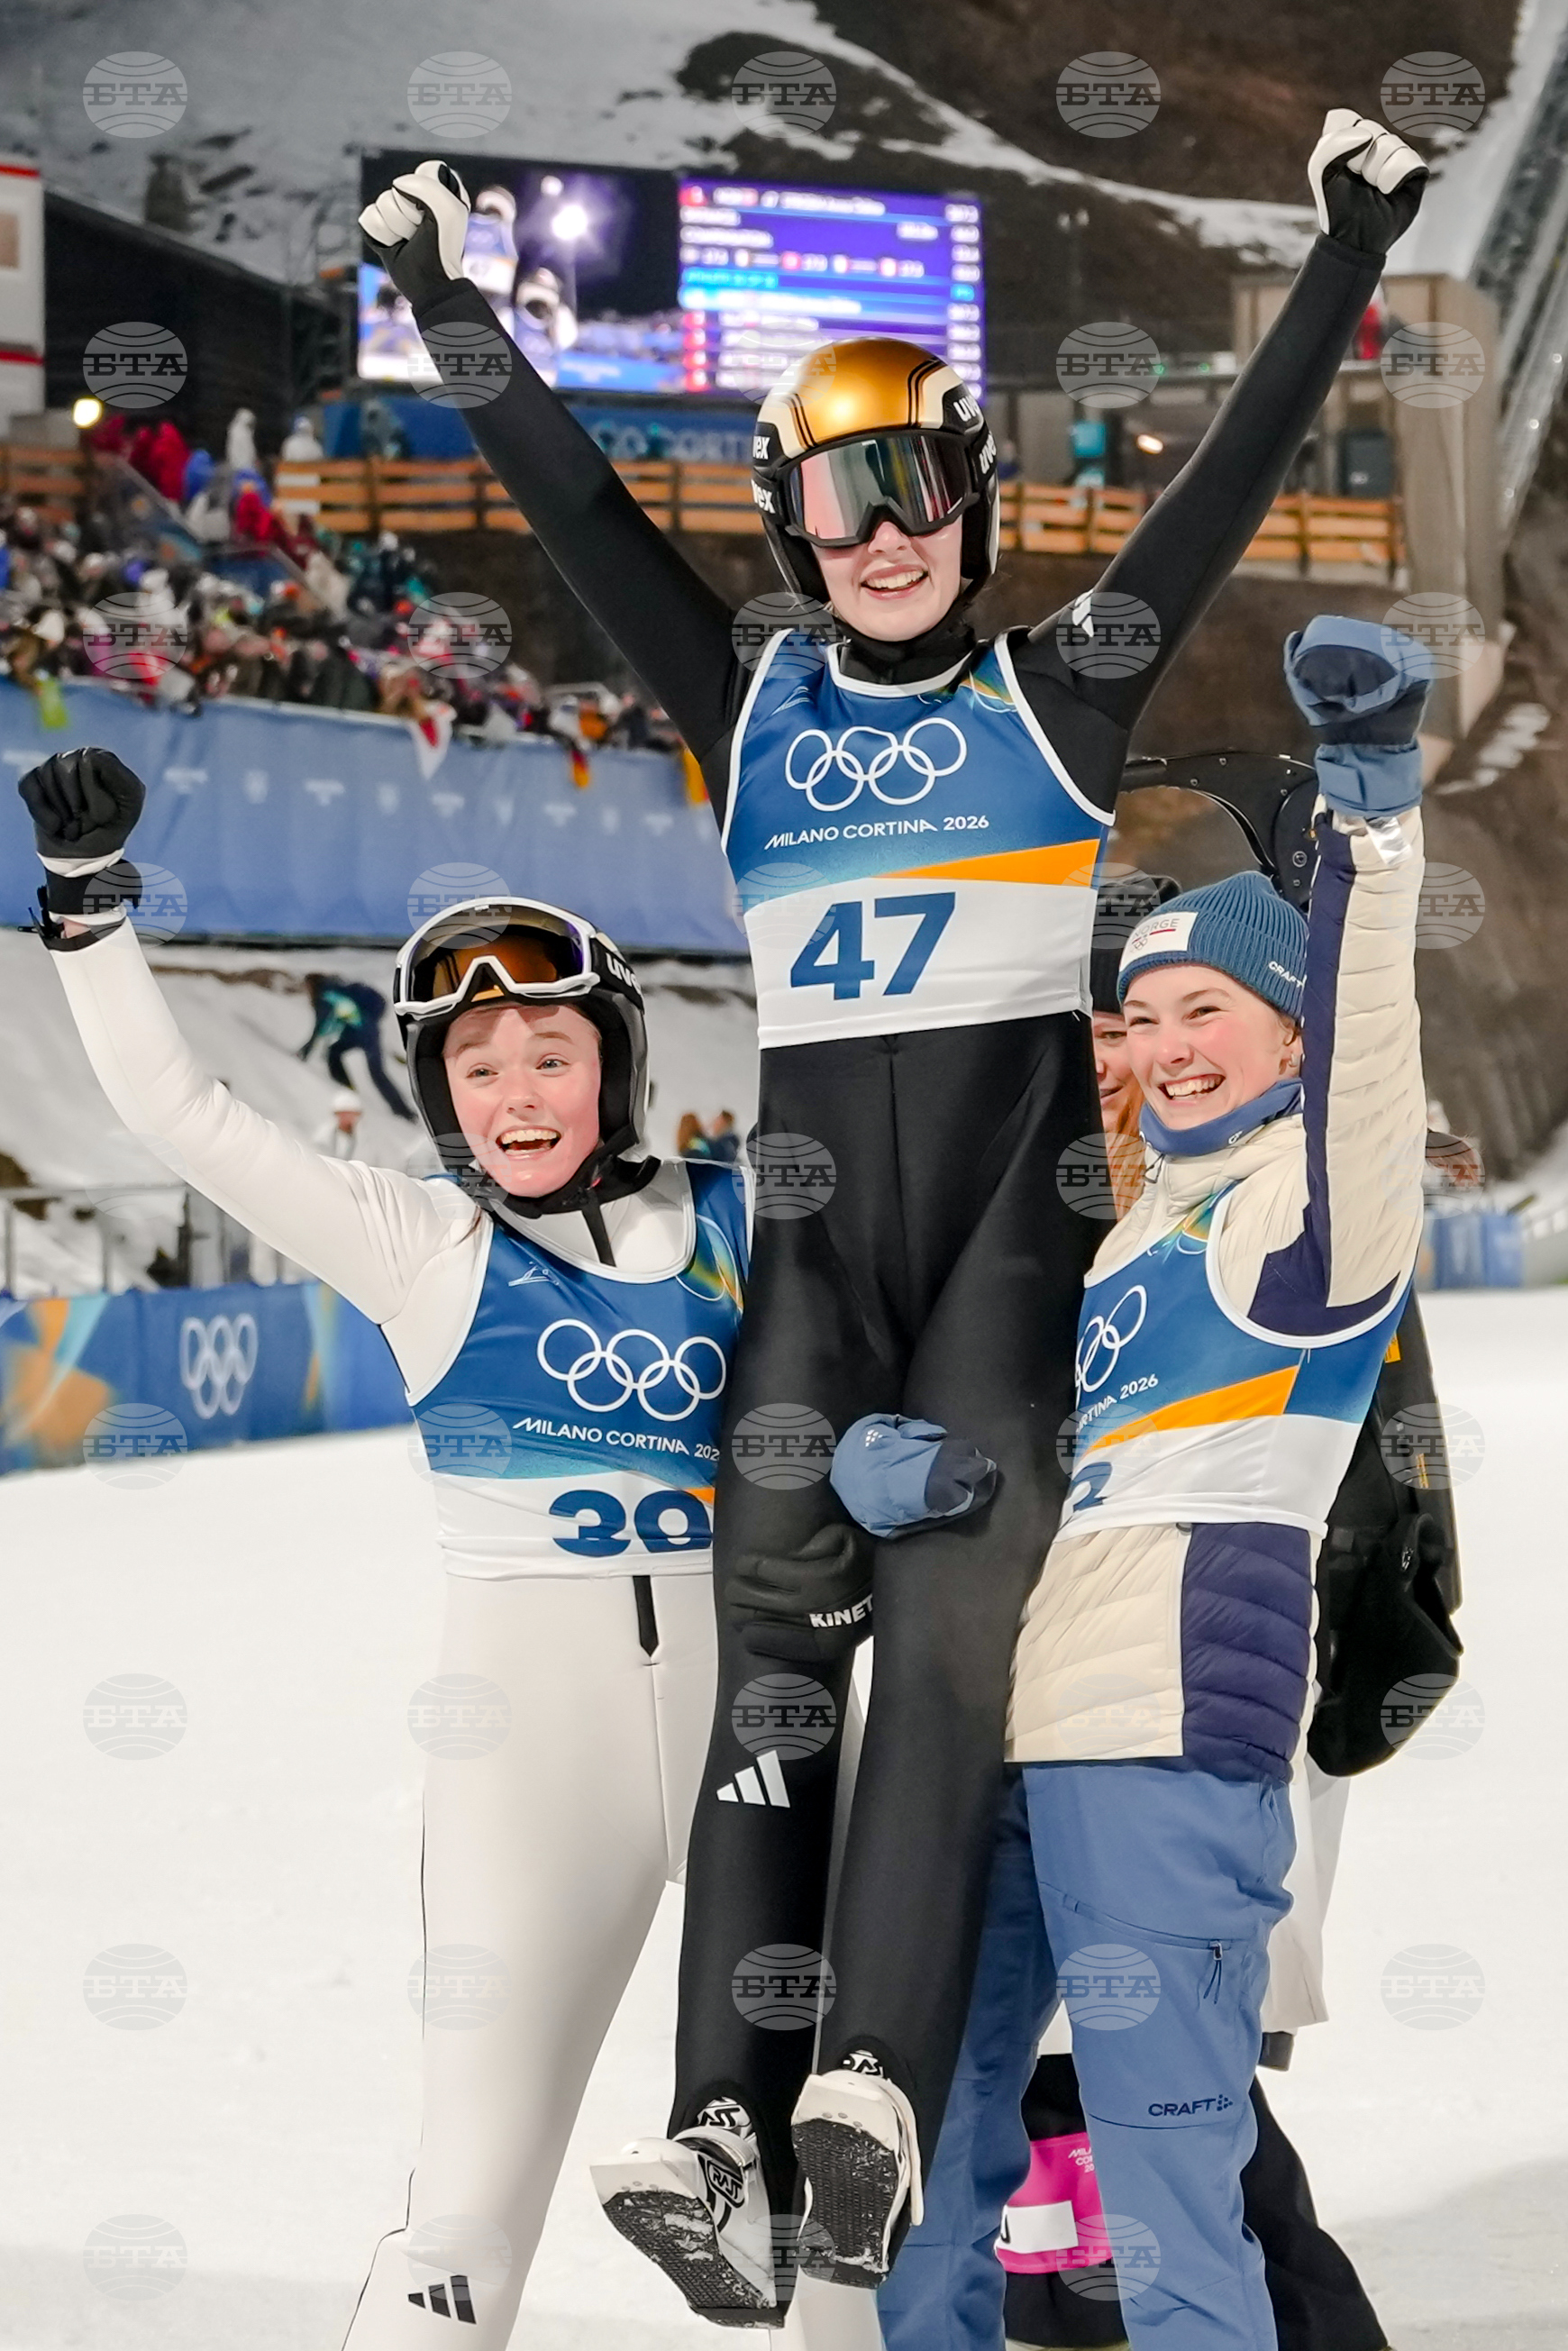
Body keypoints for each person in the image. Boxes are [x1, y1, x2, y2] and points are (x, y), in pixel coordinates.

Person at [359, 114, 1427, 2322]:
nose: (871, 538)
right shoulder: (742, 702)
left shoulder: (1056, 697)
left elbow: (1217, 495)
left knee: (945, 1627)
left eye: (909, 488)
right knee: (774, 1645)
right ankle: (728, 2124)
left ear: (965, 499)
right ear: (783, 517)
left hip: (998, 1266)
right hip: (821, 1265)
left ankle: (865, 2074)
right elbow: (575, 517)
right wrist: (453, 308)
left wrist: (1340, 250)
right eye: (829, 500)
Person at [16, 743, 756, 2351]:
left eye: (547, 1053)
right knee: (469, 2210)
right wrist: (89, 914)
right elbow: (184, 1111)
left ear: (616, 1062)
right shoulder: (420, 1240)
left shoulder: (740, 1214)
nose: (514, 1095)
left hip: (750, 1728)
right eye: (477, 1068)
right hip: (527, 1753)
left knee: (815, 2201)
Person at [848, 613, 1433, 2348]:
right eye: (1146, 1012)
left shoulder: (1306, 1224)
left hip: (1168, 1727)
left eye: (1212, 1011)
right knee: (949, 2145)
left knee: (1172, 2179)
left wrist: (1374, 812)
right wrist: (939, 1483)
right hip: (1028, 1725)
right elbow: (1076, 1472)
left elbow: (1372, 1053)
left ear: (1286, 1035)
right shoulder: (1142, 1238)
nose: (1170, 1042)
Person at [298, 971, 417, 1122]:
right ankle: (404, 1112)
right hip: (367, 1029)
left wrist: (304, 1053)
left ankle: (347, 1090)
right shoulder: (338, 989)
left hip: (360, 1031)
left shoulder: (326, 994)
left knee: (336, 1054)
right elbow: (339, 1016)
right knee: (377, 1073)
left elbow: (320, 1026)